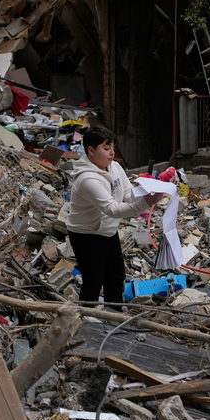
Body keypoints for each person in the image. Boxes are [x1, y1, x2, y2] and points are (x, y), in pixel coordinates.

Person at [67, 127, 162, 305]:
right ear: (91, 151)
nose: (112, 153)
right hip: (86, 234)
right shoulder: (87, 179)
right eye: (106, 148)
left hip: (108, 230)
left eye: (112, 148)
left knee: (116, 275)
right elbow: (113, 209)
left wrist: (148, 192)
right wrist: (146, 203)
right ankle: (85, 316)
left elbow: (128, 193)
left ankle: (114, 314)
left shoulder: (115, 167)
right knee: (93, 279)